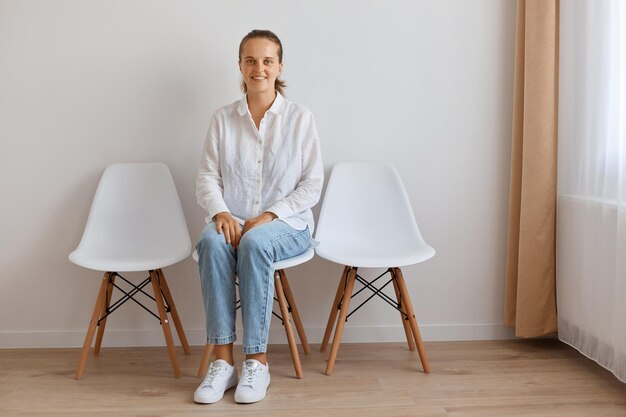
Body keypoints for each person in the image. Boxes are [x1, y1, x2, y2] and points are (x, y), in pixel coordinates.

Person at [193, 29, 323, 404]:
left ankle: (257, 362)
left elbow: (312, 184)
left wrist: (269, 215)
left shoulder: (300, 118)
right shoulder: (222, 118)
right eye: (250, 60)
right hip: (232, 220)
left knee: (253, 241)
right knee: (211, 243)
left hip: (287, 225)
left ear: (279, 66)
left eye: (267, 60)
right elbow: (206, 176)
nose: (259, 68)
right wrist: (219, 211)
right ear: (240, 65)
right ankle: (222, 363)